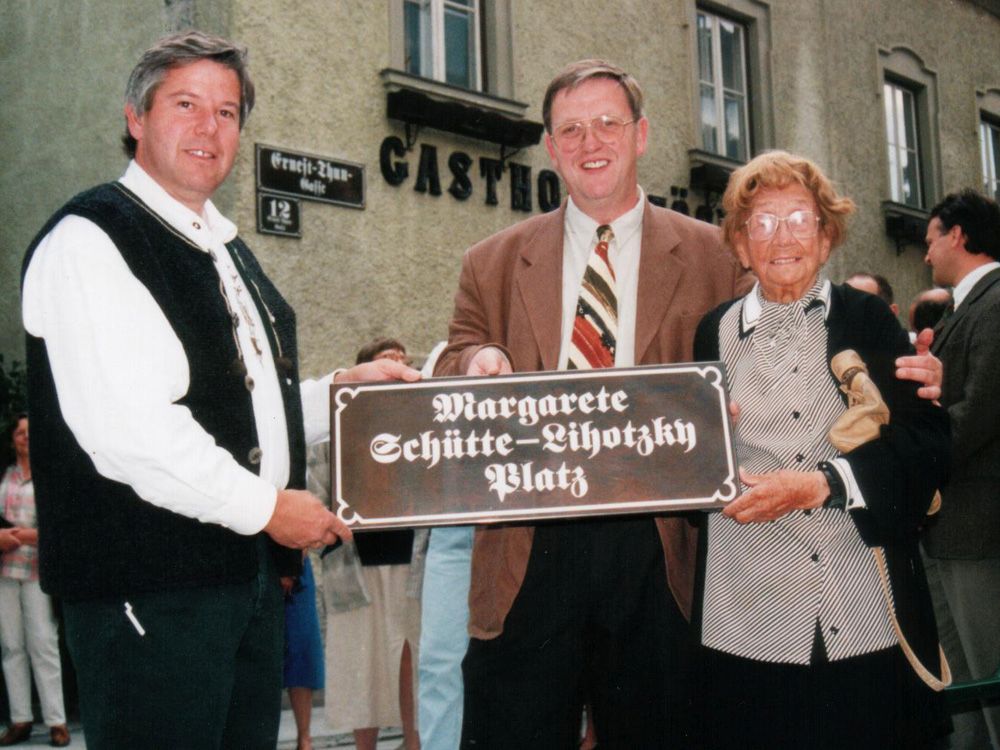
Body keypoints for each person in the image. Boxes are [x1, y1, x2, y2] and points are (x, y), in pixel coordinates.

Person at [435, 60, 944, 749]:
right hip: (530, 547)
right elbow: (459, 346)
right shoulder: (490, 260)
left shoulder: (719, 255)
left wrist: (907, 374)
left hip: (663, 548)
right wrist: (472, 362)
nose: (592, 142)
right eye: (571, 129)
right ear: (550, 145)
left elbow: (799, 317)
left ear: (641, 134)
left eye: (608, 123)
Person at [19, 30, 418, 749]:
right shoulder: (91, 240)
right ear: (136, 118)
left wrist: (343, 394)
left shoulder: (222, 245)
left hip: (238, 588)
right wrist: (269, 508)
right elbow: (133, 434)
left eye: (228, 111)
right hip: (149, 598)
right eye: (186, 104)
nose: (209, 127)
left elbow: (235, 413)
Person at [692, 150, 951, 749]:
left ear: (827, 235)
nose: (781, 237)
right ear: (738, 243)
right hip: (744, 613)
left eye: (800, 218)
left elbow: (928, 443)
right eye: (761, 221)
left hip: (859, 607)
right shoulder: (712, 332)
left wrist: (824, 484)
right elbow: (691, 463)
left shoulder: (869, 320)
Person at [310, 338, 428, 750]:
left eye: (403, 362)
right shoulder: (333, 433)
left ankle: (414, 743)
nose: (397, 366)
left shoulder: (421, 430)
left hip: (411, 565)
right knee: (361, 664)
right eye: (387, 362)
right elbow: (316, 494)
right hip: (354, 567)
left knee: (410, 660)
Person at [921, 188, 1000, 749]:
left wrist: (913, 451)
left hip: (977, 527)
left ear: (958, 235)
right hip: (951, 529)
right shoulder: (967, 306)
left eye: (931, 241)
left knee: (988, 672)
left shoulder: (996, 303)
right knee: (965, 682)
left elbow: (978, 412)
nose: (926, 255)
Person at [0, 415, 69, 748]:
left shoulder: (48, 477)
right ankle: (21, 719)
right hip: (4, 573)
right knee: (12, 646)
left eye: (31, 432)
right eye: (20, 432)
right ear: (12, 438)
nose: (25, 437)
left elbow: (60, 528)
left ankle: (57, 722)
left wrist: (26, 536)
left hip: (38, 572)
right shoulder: (4, 475)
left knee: (43, 643)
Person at [281, 552, 324, 750]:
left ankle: (305, 739)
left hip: (295, 559)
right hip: (257, 560)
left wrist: (291, 564)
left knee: (302, 648)